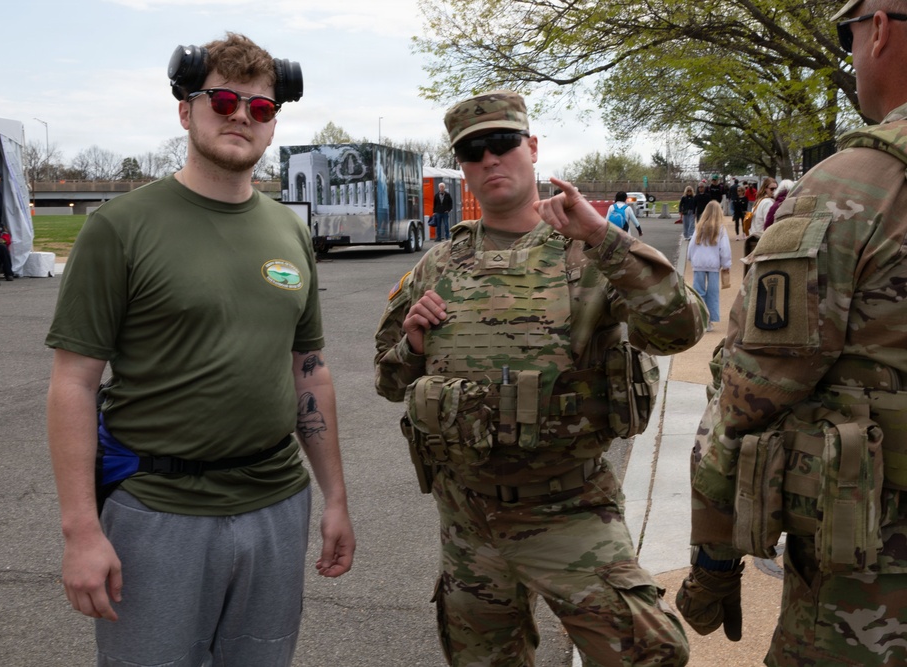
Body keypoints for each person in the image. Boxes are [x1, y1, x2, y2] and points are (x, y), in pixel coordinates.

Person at [44, 32, 354, 667]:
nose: (241, 115)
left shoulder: (288, 231)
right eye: (223, 100)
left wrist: (336, 499)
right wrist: (81, 530)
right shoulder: (121, 228)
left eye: (261, 108)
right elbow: (72, 382)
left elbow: (308, 370)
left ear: (272, 125)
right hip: (159, 511)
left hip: (276, 503)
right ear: (186, 110)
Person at [374, 89, 706, 667]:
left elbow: (682, 330)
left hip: (568, 510)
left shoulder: (589, 251)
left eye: (502, 143)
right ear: (463, 166)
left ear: (531, 147)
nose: (490, 160)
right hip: (467, 523)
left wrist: (604, 237)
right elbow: (386, 377)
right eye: (473, 151)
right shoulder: (437, 265)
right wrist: (414, 344)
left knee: (648, 653)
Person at [677, 2, 907, 664]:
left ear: (880, 29)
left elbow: (744, 402)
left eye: (848, 34)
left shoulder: (851, 193)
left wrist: (711, 566)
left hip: (870, 598)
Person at [687, 201, 731, 334]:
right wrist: (726, 264)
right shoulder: (721, 229)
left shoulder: (699, 227)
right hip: (713, 264)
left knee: (698, 292)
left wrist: (691, 258)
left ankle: (700, 319)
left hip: (699, 263)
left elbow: (691, 246)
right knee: (713, 293)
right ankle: (710, 320)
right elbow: (725, 249)